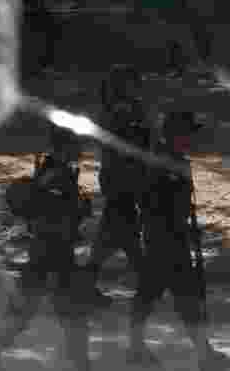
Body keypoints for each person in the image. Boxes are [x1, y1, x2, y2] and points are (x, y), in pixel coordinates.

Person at [128, 111, 230, 370]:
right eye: (188, 133)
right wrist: (171, 229)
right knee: (161, 297)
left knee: (159, 296)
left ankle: (200, 354)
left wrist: (186, 230)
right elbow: (150, 203)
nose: (192, 138)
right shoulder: (162, 162)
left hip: (172, 240)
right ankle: (202, 356)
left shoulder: (176, 161)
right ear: (176, 135)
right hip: (164, 242)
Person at [0, 126, 93, 371]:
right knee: (53, 311)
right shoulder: (56, 175)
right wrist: (80, 208)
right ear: (63, 148)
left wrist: (77, 208)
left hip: (53, 250)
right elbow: (52, 211)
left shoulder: (59, 172)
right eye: (74, 145)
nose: (79, 150)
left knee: (50, 311)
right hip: (50, 251)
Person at [83, 65, 151, 302]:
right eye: (134, 83)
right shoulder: (122, 110)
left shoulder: (115, 108)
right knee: (122, 232)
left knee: (119, 232)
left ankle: (88, 284)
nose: (138, 87)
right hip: (122, 177)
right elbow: (133, 143)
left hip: (118, 176)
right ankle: (146, 285)